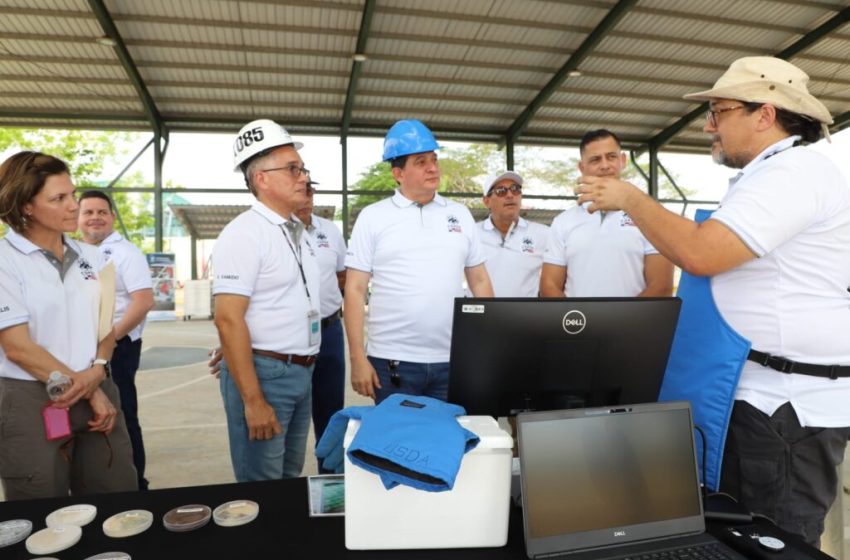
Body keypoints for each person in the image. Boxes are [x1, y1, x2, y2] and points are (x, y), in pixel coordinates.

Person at [575, 56, 850, 546]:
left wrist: (632, 199)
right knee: (732, 536)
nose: (708, 125)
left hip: (782, 413)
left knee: (773, 541)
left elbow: (702, 252)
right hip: (755, 399)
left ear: (764, 115)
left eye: (719, 112)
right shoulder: (769, 176)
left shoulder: (794, 172)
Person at [0, 151, 137, 499]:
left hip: (98, 384)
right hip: (33, 398)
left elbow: (106, 328)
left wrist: (99, 369)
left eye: (72, 194)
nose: (74, 206)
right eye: (58, 198)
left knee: (115, 491)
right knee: (42, 502)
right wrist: (91, 390)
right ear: (26, 206)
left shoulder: (94, 258)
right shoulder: (6, 261)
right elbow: (18, 347)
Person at [345, 119, 494, 403]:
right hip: (392, 363)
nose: (433, 167)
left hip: (453, 359)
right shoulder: (373, 217)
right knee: (396, 445)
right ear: (398, 173)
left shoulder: (460, 215)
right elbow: (354, 290)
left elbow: (480, 280)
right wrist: (357, 358)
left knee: (449, 443)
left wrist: (486, 344)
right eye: (421, 161)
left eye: (434, 159)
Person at [212, 119, 320, 482]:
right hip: (266, 376)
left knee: (288, 477)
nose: (303, 176)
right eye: (293, 169)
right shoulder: (244, 234)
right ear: (262, 179)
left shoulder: (295, 230)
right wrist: (253, 401)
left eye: (302, 168)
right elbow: (228, 318)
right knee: (262, 484)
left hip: (300, 372)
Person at [78, 190, 154, 491]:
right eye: (88, 212)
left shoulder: (126, 253)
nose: (95, 217)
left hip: (118, 347)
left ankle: (137, 482)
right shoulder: (74, 252)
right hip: (84, 346)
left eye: (102, 212)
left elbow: (143, 302)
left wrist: (109, 342)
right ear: (78, 218)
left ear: (111, 217)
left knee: (123, 412)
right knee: (90, 412)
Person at [540, 129, 673, 297]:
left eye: (611, 157)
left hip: (633, 322)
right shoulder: (563, 222)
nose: (605, 165)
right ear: (582, 167)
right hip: (578, 322)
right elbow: (549, 286)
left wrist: (622, 321)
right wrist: (576, 321)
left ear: (622, 160)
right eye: (595, 159)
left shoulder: (649, 215)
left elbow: (661, 287)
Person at [293, 180, 347, 449]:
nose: (307, 197)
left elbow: (342, 275)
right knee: (289, 416)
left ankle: (330, 480)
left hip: (330, 332)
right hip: (289, 337)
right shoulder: (271, 231)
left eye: (310, 191)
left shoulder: (330, 230)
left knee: (331, 414)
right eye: (301, 190)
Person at [476, 171, 549, 297]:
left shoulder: (543, 234)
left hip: (525, 315)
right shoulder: (472, 233)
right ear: (486, 201)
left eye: (515, 189)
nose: (510, 195)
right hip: (481, 315)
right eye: (501, 191)